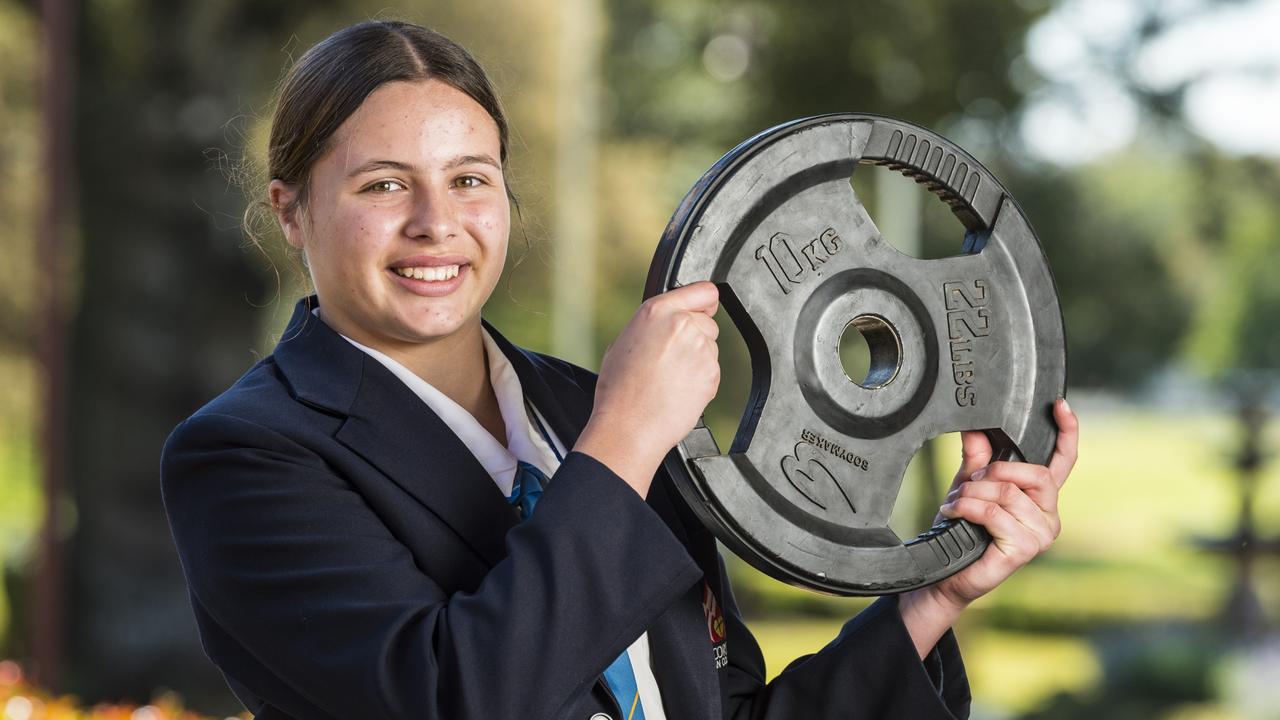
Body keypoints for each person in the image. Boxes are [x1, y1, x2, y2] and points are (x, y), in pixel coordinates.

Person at [160, 19, 1079, 720]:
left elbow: (721, 709)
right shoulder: (246, 457)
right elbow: (462, 698)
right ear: (290, 210)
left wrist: (934, 598)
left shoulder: (584, 406)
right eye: (383, 184)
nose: (436, 222)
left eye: (471, 179)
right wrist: (625, 443)